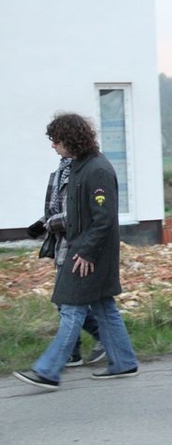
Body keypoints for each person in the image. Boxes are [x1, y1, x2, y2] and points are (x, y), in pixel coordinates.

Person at [14, 112, 138, 391]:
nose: (53, 145)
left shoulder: (97, 170)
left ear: (70, 139)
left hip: (89, 255)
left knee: (71, 308)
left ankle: (48, 371)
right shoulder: (80, 166)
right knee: (104, 306)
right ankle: (123, 363)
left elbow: (104, 219)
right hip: (85, 251)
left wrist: (86, 252)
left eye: (56, 140)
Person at [27, 157, 107, 368]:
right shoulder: (60, 172)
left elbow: (79, 214)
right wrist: (42, 222)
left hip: (78, 247)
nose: (53, 146)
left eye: (56, 140)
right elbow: (56, 208)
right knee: (67, 303)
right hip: (62, 246)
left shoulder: (83, 173)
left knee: (68, 304)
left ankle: (60, 361)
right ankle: (81, 350)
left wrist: (50, 223)